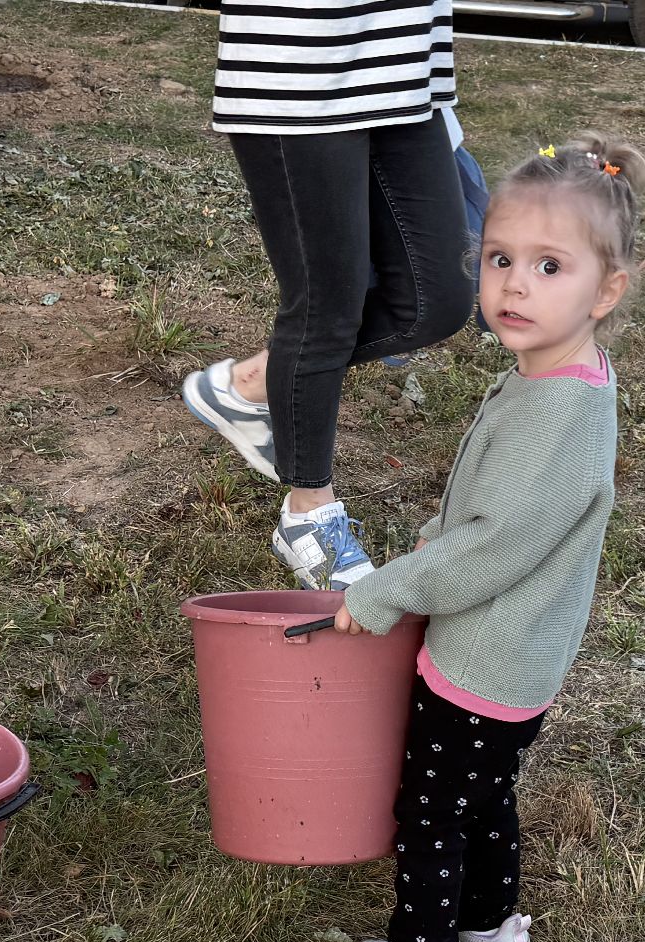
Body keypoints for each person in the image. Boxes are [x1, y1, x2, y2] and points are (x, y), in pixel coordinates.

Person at [332, 133, 645, 942]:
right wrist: (447, 538)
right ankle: (494, 938)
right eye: (499, 259)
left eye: (549, 266)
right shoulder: (566, 377)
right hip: (523, 657)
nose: (513, 285)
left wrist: (394, 586)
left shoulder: (558, 409)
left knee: (431, 814)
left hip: (486, 654)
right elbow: (503, 514)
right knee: (486, 798)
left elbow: (497, 545)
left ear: (606, 290)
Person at [181, 0, 473, 590]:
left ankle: (254, 383)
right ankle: (307, 511)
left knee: (439, 299)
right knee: (325, 307)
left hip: (404, 66)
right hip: (301, 68)